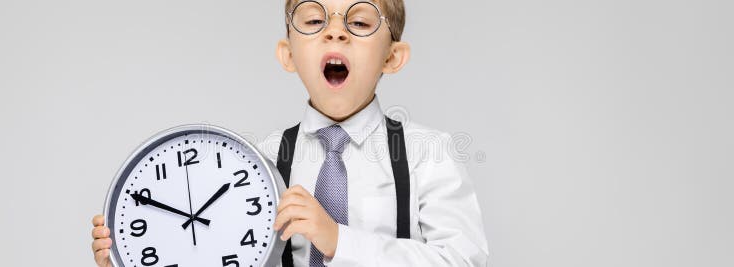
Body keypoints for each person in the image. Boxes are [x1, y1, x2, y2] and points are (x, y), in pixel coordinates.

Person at [92, 0, 489, 266]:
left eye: (360, 21)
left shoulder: (427, 153)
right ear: (287, 55)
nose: (335, 32)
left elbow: (462, 259)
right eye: (315, 20)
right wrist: (134, 258)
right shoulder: (255, 162)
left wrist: (338, 240)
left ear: (392, 57)